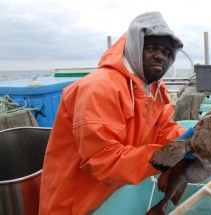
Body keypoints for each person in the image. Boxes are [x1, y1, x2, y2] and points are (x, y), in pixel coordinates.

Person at [39, 11, 188, 214]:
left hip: (116, 195)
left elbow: (162, 130)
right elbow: (103, 159)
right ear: (134, 48)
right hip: (78, 205)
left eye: (166, 52)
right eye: (151, 47)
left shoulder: (154, 90)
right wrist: (170, 156)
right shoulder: (100, 87)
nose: (160, 55)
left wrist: (191, 142)